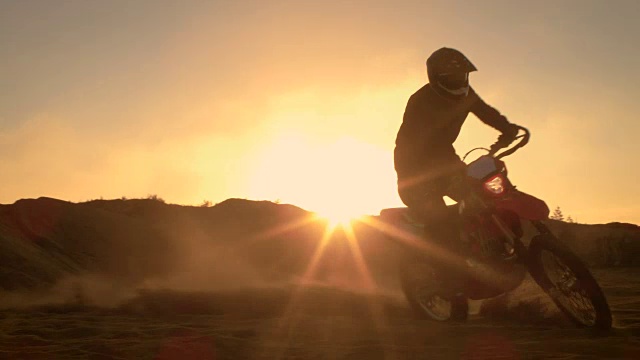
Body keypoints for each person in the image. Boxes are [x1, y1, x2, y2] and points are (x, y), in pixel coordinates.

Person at [393, 47, 520, 298]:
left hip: (445, 161)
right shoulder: (420, 101)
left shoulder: (465, 94)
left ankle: (493, 250)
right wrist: (438, 174)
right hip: (413, 173)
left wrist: (507, 128)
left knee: (483, 192)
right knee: (442, 225)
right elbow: (415, 143)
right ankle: (449, 282)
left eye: (463, 75)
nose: (460, 81)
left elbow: (485, 111)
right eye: (453, 77)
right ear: (437, 78)